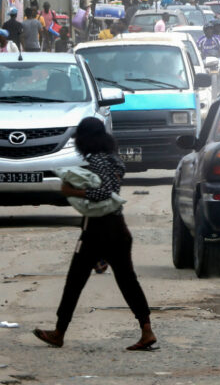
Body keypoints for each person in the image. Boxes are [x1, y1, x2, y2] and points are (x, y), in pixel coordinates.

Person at [34, 117, 156, 351]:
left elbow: (103, 193)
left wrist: (72, 191)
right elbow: (112, 185)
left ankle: (59, 332)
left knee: (75, 281)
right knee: (128, 281)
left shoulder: (96, 160)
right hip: (118, 228)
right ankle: (146, 329)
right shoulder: (115, 160)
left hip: (97, 230)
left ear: (84, 139)